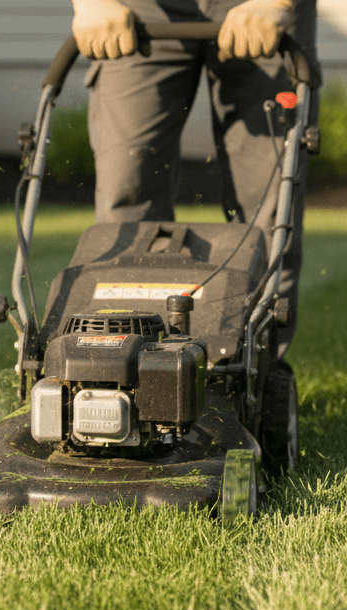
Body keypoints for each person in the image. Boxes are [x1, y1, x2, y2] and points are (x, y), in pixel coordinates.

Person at [70, 0, 315, 358]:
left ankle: (254, 378)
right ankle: (127, 364)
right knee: (125, 194)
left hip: (258, 8)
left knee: (270, 206)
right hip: (139, 10)